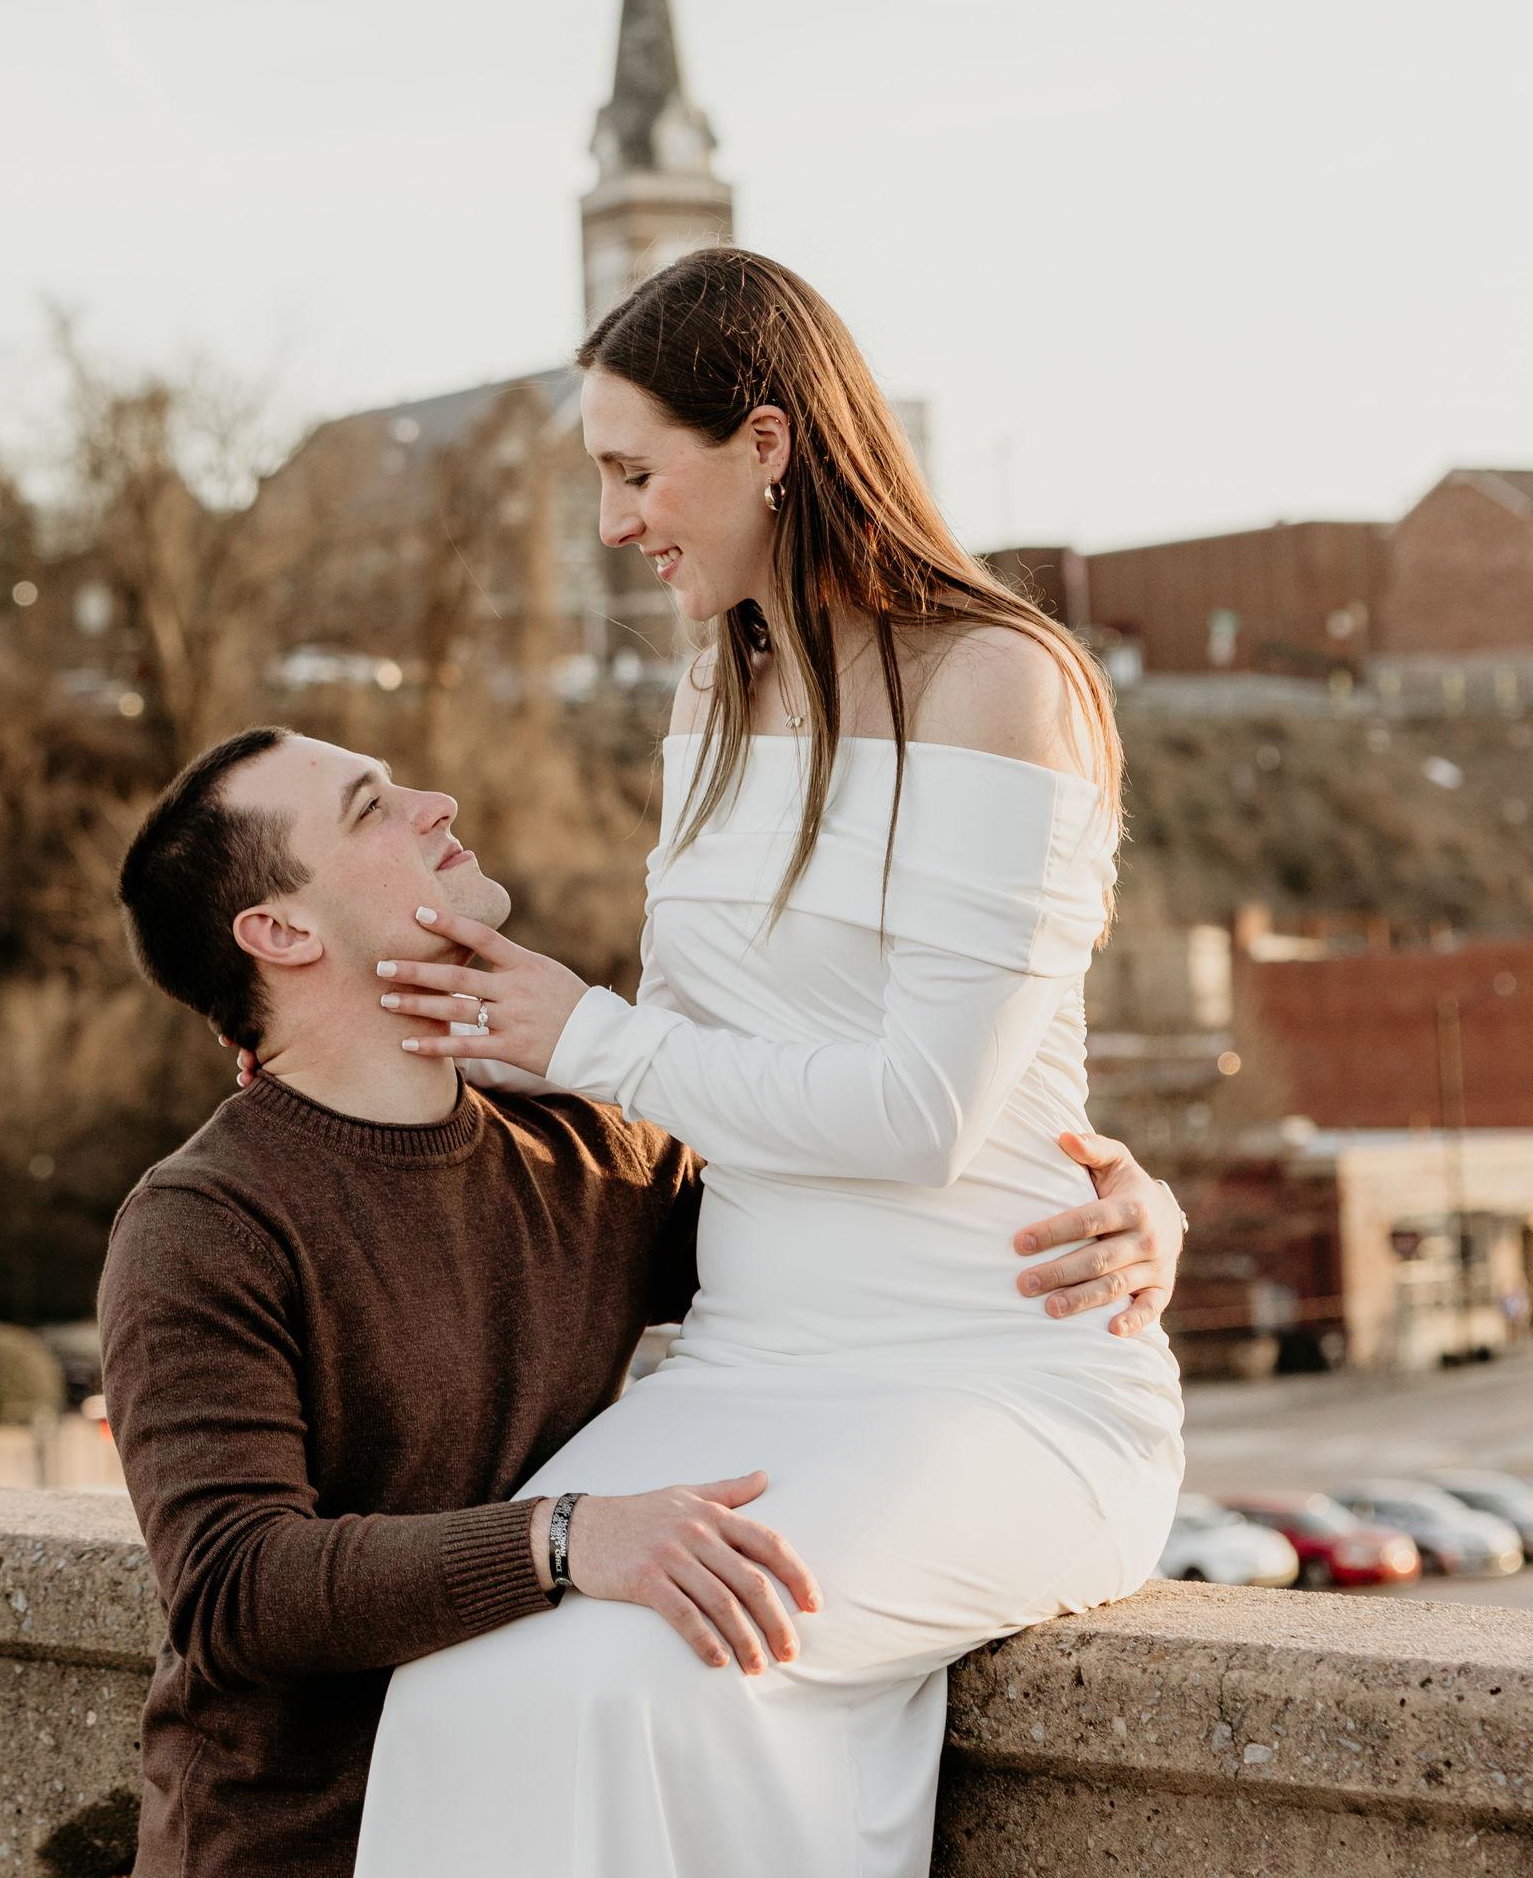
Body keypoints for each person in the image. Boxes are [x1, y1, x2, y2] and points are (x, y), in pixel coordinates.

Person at [353, 249, 1187, 1878]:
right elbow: (686, 1071)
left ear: (766, 445)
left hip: (988, 1377)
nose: (614, 524)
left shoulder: (999, 681)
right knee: (456, 1675)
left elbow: (927, 1114)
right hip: (741, 1364)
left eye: (633, 472)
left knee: (645, 1678)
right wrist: (432, 1040)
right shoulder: (712, 687)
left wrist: (584, 1033)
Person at [98, 724, 1183, 1878]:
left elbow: (838, 1244)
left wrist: (1114, 1205)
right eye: (370, 806)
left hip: (571, 1815)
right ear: (280, 932)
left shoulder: (585, 1156)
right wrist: (566, 1536)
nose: (435, 799)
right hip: (301, 1846)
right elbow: (234, 1587)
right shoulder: (202, 1223)